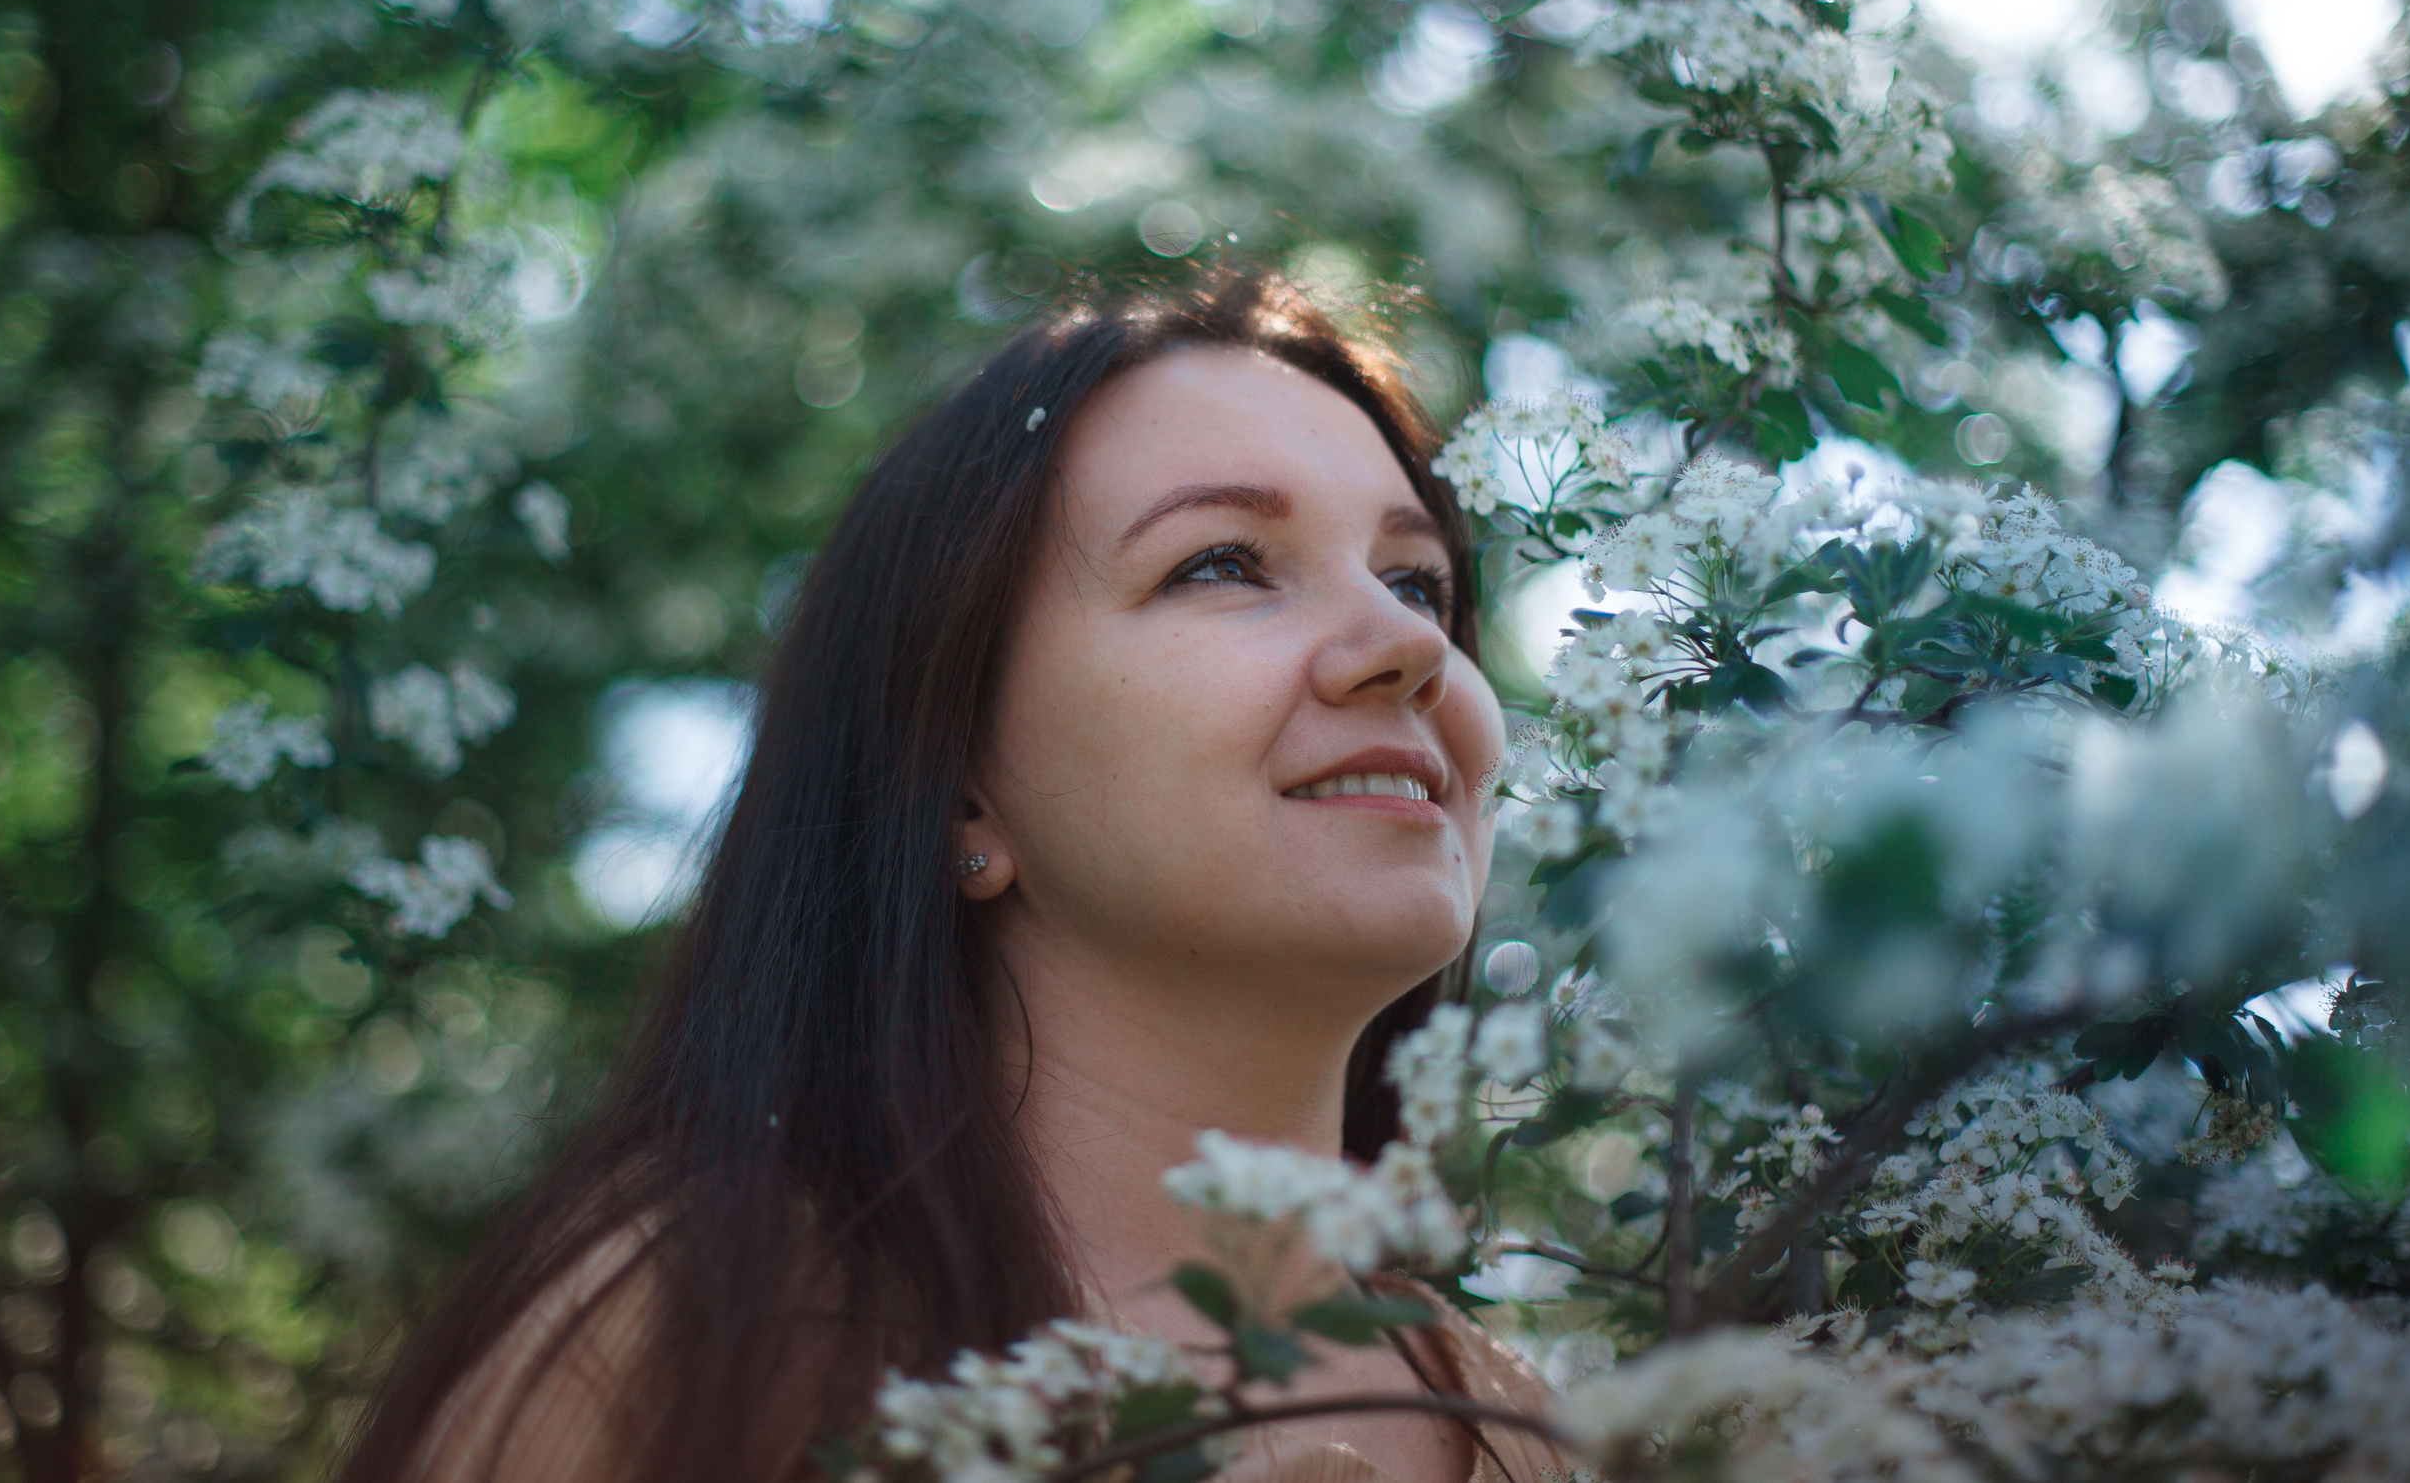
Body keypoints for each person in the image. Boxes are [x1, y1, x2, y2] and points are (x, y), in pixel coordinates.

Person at [337, 271, 1567, 1483]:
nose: (1408, 646)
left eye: (1418, 584)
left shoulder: (1532, 1433)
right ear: (958, 785)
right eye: (1222, 564)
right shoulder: (705, 1335)